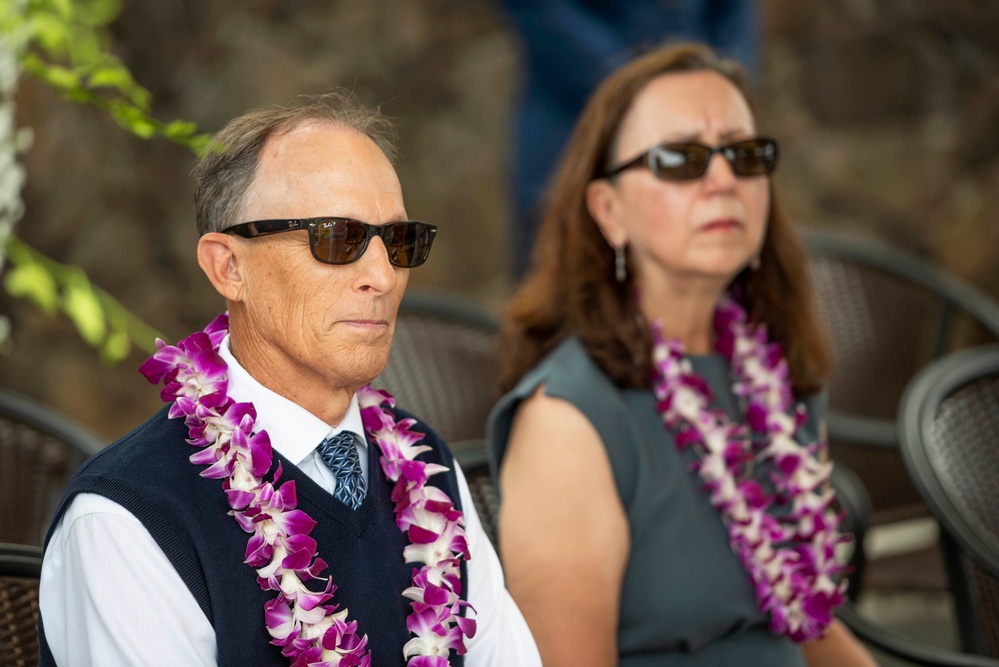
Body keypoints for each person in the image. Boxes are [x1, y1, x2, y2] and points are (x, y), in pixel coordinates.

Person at [38, 90, 541, 667]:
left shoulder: (427, 470)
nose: (382, 275)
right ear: (230, 267)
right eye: (336, 238)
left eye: (398, 243)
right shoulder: (131, 519)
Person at [488, 44, 877, 666]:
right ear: (608, 212)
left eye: (743, 154)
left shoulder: (779, 376)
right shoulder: (569, 419)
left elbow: (807, 625)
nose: (723, 179)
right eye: (680, 159)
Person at [499, 0, 759, 279]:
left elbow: (735, 17)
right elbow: (538, 9)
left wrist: (722, 79)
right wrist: (643, 83)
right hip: (570, 132)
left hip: (702, 121)